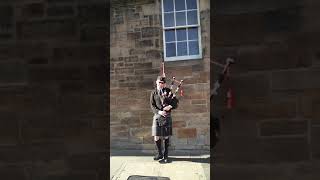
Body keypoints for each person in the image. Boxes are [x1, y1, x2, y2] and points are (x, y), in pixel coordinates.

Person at [150, 76, 178, 163]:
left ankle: (166, 154)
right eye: (159, 82)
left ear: (164, 84)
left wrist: (171, 106)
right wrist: (159, 112)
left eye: (162, 83)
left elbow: (175, 102)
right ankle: (160, 154)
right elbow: (152, 105)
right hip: (158, 116)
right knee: (156, 136)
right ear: (156, 82)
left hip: (167, 116)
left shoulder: (168, 91)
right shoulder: (153, 93)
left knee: (166, 136)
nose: (161, 84)